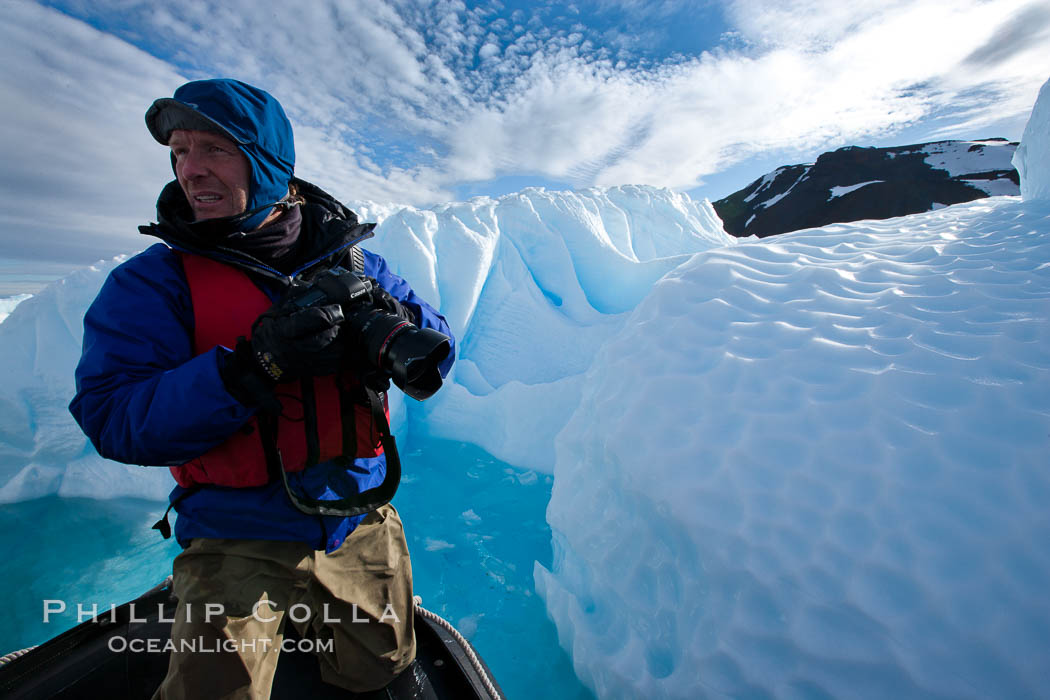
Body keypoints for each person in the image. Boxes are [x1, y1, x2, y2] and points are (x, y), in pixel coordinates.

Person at [68, 78, 455, 699]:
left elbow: (437, 344)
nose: (190, 170)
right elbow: (111, 416)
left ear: (269, 162)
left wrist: (393, 321)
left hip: (359, 522)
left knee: (380, 675)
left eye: (213, 149)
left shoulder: (353, 262)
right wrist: (252, 368)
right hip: (234, 535)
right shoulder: (155, 285)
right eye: (178, 152)